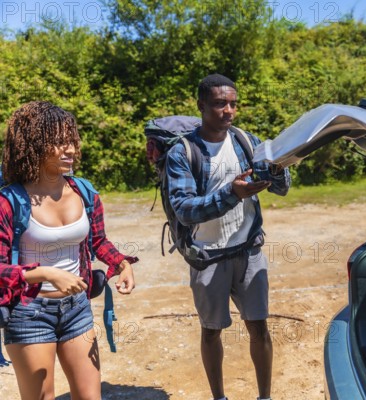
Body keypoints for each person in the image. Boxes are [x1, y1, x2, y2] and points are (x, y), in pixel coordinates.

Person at [0, 101, 138, 400]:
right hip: (28, 313)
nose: (71, 149)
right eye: (60, 142)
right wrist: (45, 274)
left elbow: (98, 241)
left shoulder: (84, 192)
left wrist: (122, 264)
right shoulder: (9, 201)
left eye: (72, 140)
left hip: (77, 309)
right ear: (34, 145)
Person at [166, 74, 291, 400]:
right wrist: (231, 194)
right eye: (220, 103)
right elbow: (184, 209)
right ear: (201, 106)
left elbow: (283, 188)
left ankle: (265, 397)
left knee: (259, 327)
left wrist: (278, 169)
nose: (229, 111)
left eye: (233, 103)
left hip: (249, 251)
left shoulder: (247, 141)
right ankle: (219, 397)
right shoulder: (183, 153)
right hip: (208, 257)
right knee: (211, 331)